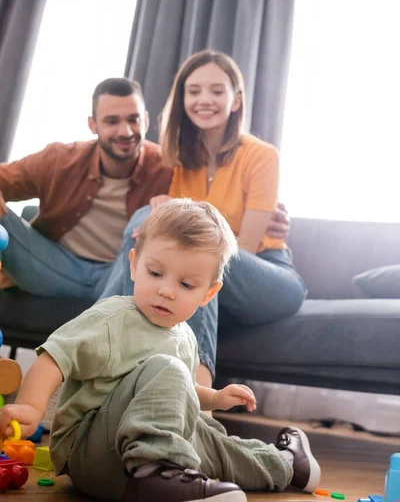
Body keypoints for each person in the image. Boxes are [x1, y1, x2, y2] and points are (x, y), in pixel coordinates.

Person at [0, 199, 320, 501]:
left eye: (186, 285)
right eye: (155, 273)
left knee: (211, 441)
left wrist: (216, 398)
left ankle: (289, 466)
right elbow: (55, 356)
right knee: (169, 372)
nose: (166, 291)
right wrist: (31, 406)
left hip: (139, 468)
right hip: (92, 451)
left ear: (208, 294)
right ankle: (159, 472)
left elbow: (183, 391)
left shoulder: (185, 337)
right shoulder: (113, 317)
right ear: (134, 265)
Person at [110, 50, 306, 388]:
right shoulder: (183, 162)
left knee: (202, 255)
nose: (204, 99)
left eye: (217, 91)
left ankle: (194, 396)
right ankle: (120, 365)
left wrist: (174, 217)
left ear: (236, 100)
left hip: (268, 277)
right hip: (214, 282)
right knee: (161, 235)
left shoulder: (262, 156)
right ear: (182, 98)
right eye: (194, 90)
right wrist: (162, 211)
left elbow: (242, 247)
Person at [0, 77, 288, 299]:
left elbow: (208, 209)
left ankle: (102, 331)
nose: (125, 131)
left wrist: (267, 216)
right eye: (112, 121)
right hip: (54, 265)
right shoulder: (60, 160)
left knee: (146, 215)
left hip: (124, 273)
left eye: (133, 119)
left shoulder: (169, 167)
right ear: (93, 124)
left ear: (146, 120)